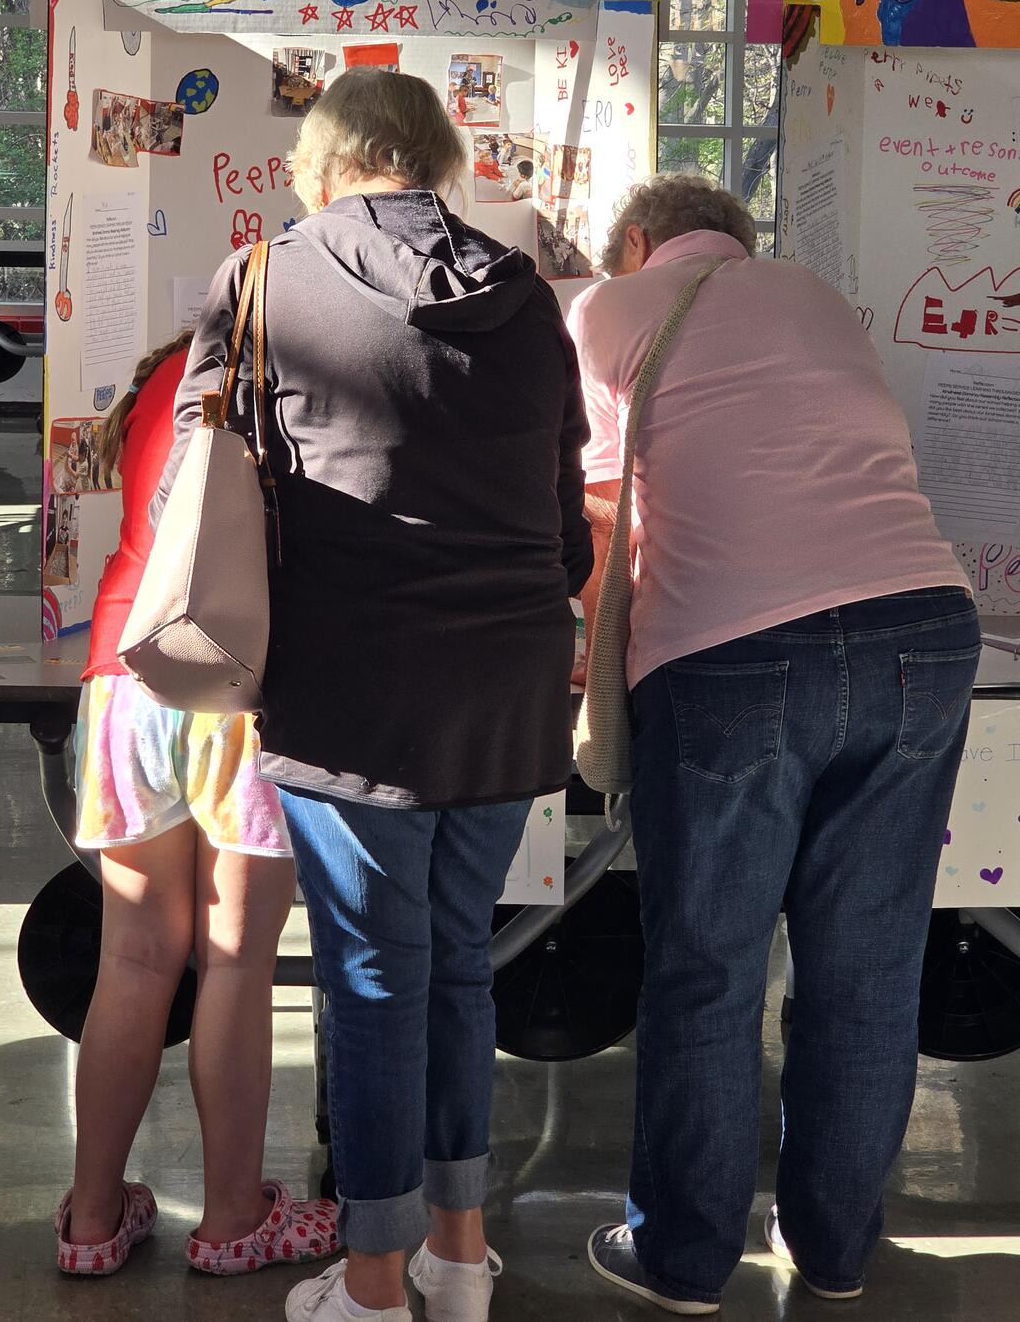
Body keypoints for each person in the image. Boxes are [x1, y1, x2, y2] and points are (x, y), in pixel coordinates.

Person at [156, 69, 592, 1322]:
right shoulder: (528, 300)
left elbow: (197, 478)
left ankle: (374, 1279)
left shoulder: (265, 280)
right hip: (507, 690)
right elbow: (566, 528)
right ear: (440, 157)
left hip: (353, 693)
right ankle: (458, 1252)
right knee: (459, 967)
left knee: (372, 980)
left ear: (325, 161)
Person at [570, 174, 981, 1316]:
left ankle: (683, 1258)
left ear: (638, 241)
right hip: (921, 629)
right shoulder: (815, 294)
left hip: (732, 653)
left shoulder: (608, 309)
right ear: (738, 241)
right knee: (867, 967)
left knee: (708, 969)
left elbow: (598, 508)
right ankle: (834, 1248)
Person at [57, 332, 338, 1279]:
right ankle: (232, 1219)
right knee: (235, 961)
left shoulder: (164, 381)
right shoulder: (298, 379)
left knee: (133, 956)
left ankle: (93, 1220)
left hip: (124, 674)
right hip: (238, 685)